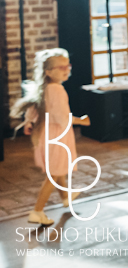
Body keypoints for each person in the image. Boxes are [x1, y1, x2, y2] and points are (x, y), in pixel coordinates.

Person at [9, 48, 90, 226]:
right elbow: (61, 117)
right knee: (54, 174)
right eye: (61, 67)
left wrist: (29, 122)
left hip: (48, 135)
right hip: (58, 136)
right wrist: (81, 121)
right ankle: (37, 211)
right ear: (48, 72)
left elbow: (35, 107)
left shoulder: (44, 88)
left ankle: (66, 197)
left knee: (56, 168)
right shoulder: (57, 90)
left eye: (68, 65)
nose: (66, 70)